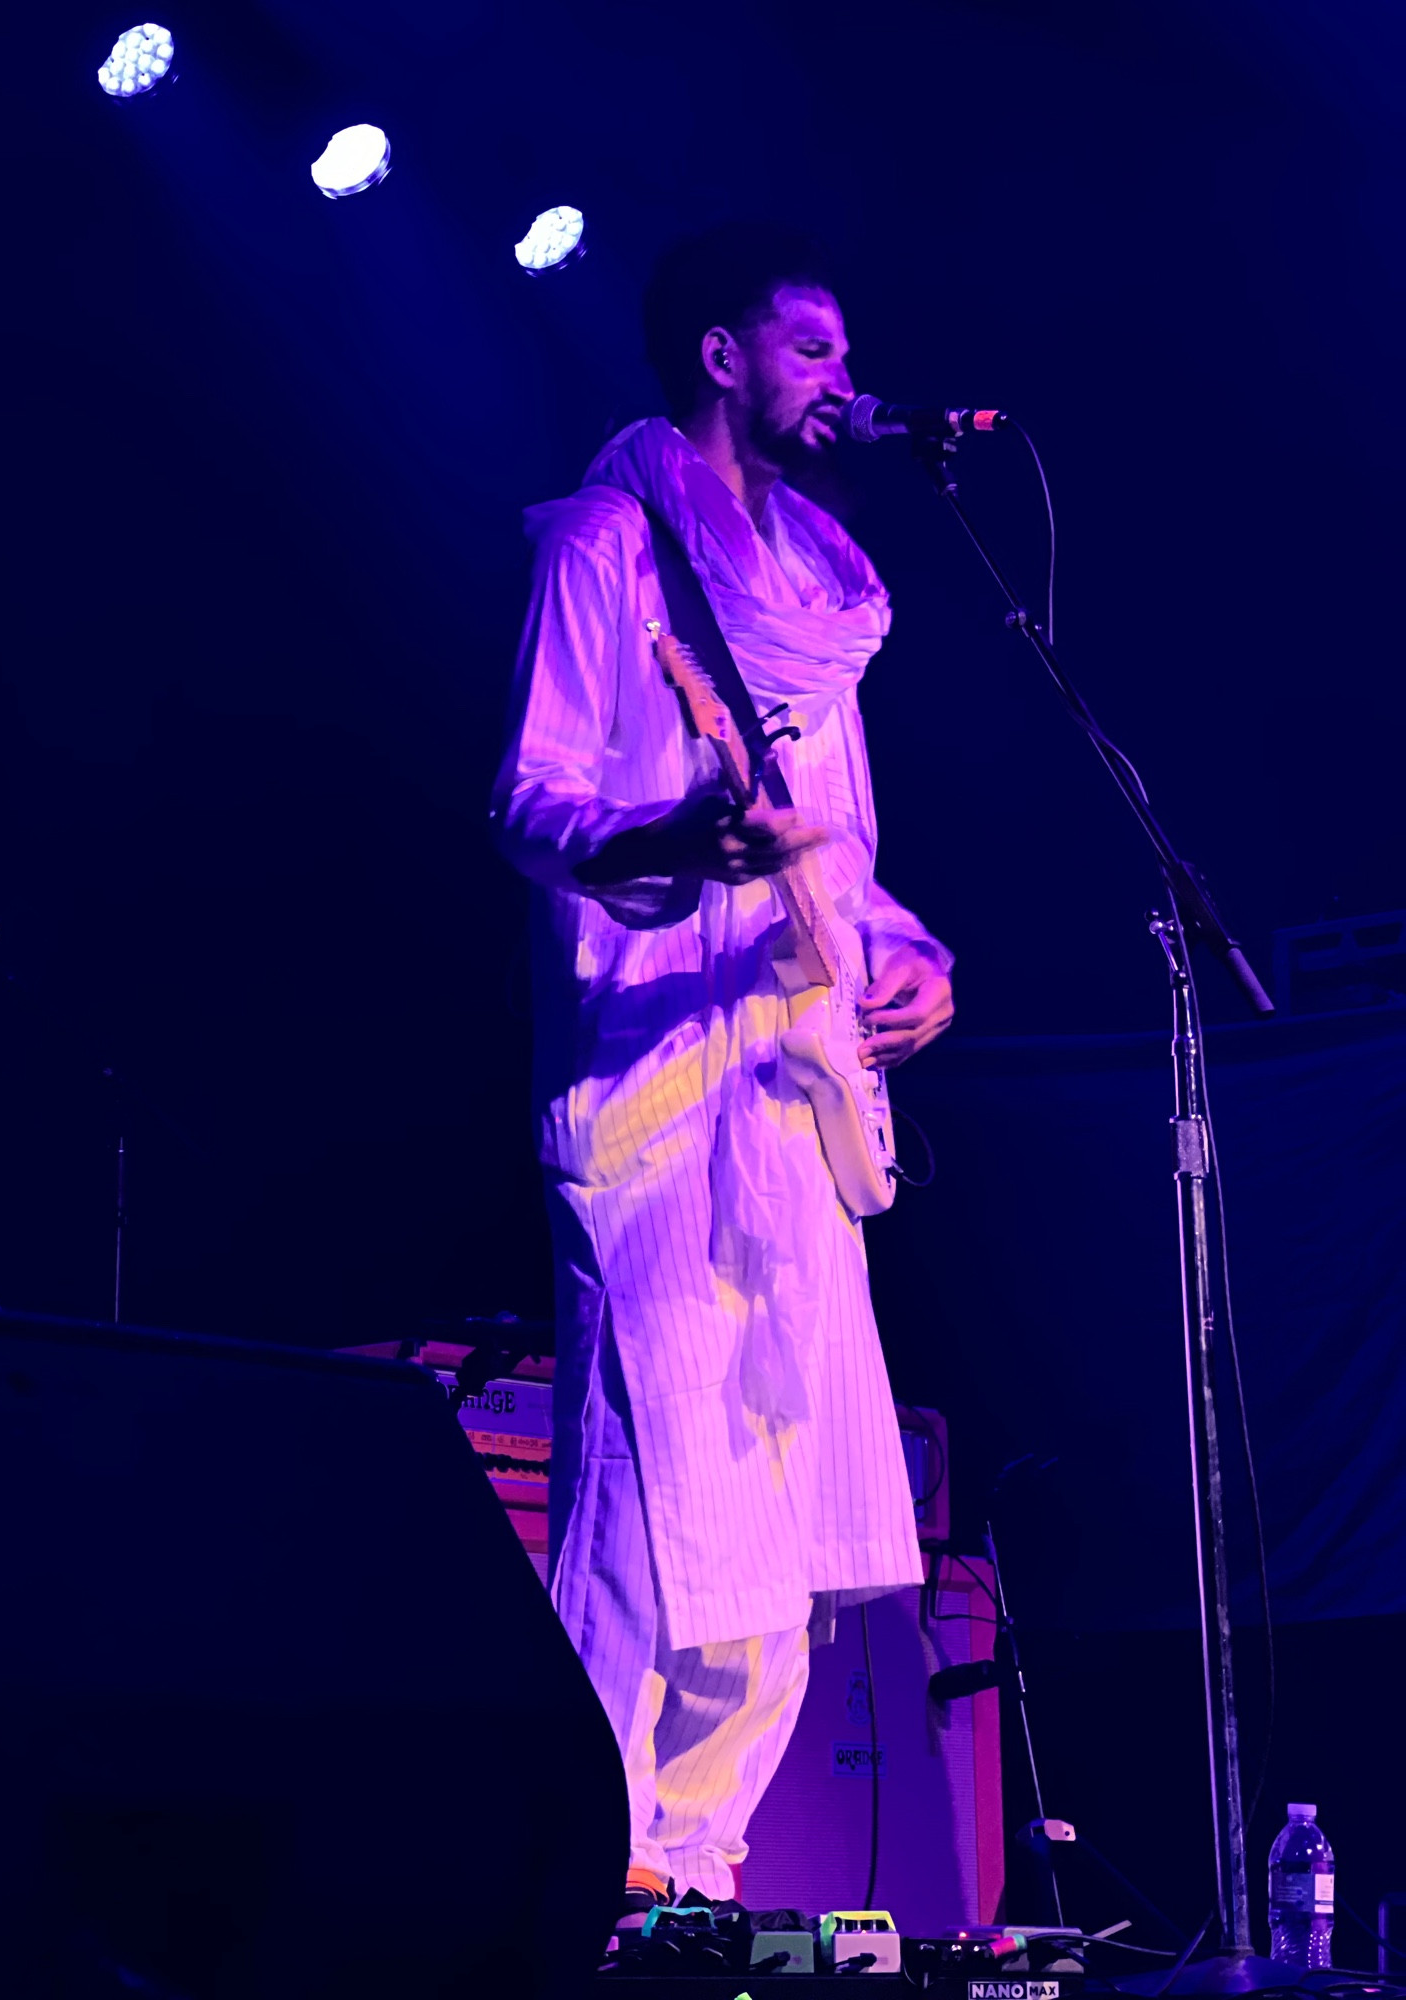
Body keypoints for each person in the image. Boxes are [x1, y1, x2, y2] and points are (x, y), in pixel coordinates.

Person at [491, 223, 954, 1916]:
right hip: (650, 1084)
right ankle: (565, 1873)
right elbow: (530, 803)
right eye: (815, 351)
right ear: (721, 356)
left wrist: (914, 958)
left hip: (788, 1082)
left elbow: (854, 864)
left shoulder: (825, 602)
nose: (843, 382)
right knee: (646, 1499)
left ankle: (690, 1875)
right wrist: (681, 832)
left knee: (776, 1507)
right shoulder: (606, 549)